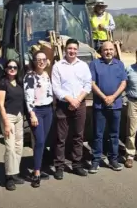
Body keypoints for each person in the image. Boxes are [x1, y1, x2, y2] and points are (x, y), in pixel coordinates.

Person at [51, 38, 92, 179]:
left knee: (78, 136)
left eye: (75, 49)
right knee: (60, 138)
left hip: (80, 105)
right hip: (63, 106)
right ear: (65, 49)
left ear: (77, 50)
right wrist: (70, 100)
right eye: (70, 48)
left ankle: (76, 164)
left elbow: (88, 85)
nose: (72, 51)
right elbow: (56, 88)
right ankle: (59, 167)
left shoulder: (83, 66)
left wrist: (78, 100)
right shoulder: (57, 66)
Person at [89, 41, 127, 173]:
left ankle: (113, 160)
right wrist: (104, 97)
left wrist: (113, 97)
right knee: (98, 134)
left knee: (114, 134)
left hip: (115, 105)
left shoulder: (119, 64)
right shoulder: (94, 64)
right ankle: (96, 160)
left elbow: (123, 83)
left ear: (114, 51)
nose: (108, 52)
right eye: (106, 50)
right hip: (100, 105)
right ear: (101, 51)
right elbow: (92, 83)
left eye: (111, 49)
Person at [24, 51, 54, 187]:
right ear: (34, 61)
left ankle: (39, 167)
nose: (41, 62)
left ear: (47, 61)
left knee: (44, 141)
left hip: (48, 110)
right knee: (40, 141)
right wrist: (32, 114)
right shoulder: (30, 77)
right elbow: (28, 97)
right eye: (38, 60)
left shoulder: (47, 75)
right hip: (37, 112)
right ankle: (36, 173)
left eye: (43, 59)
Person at [0, 59, 25, 191]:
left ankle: (15, 173)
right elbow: (0, 105)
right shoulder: (3, 83)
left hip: (19, 116)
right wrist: (6, 123)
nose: (12, 69)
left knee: (19, 146)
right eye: (9, 67)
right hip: (8, 117)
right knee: (10, 147)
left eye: (14, 67)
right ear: (6, 69)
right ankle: (9, 177)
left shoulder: (19, 82)